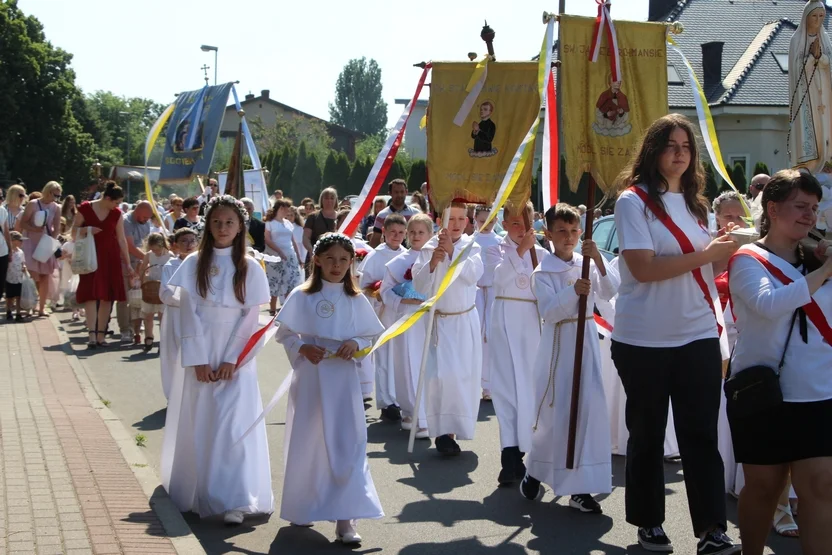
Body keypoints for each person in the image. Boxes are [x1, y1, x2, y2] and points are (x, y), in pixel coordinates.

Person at [611, 114, 740, 554]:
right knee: (646, 433)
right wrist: (709, 252)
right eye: (671, 144)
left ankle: (712, 529)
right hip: (644, 338)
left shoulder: (697, 204)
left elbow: (705, 268)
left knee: (701, 435)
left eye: (686, 145)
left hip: (698, 332)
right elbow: (644, 269)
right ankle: (649, 522)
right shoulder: (633, 202)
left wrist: (725, 251)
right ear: (653, 150)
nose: (680, 152)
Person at [727, 169, 832, 555]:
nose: (809, 216)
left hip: (818, 391)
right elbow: (769, 305)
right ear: (772, 208)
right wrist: (824, 273)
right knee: (765, 487)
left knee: (821, 485)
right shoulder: (747, 260)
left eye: (815, 208)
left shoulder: (820, 257)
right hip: (763, 394)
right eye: (800, 207)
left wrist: (823, 263)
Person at [162, 195, 273, 526]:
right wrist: (197, 358)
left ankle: (234, 498)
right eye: (216, 222)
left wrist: (231, 358)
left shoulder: (250, 266)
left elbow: (252, 315)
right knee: (202, 416)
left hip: (235, 351)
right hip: (202, 345)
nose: (223, 228)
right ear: (207, 225)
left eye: (229, 222)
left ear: (241, 227)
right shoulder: (195, 262)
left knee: (232, 422)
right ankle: (198, 489)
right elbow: (188, 311)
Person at [276, 232, 384, 543]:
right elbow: (285, 333)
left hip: (342, 379)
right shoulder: (302, 295)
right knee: (308, 439)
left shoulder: (356, 298)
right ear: (317, 260)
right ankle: (304, 505)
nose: (337, 265)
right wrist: (302, 348)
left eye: (343, 260)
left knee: (345, 442)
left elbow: (369, 335)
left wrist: (355, 342)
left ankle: (345, 518)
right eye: (330, 259)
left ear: (352, 263)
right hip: (311, 375)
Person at [520, 203, 619, 515]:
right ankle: (536, 468)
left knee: (586, 411)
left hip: (587, 339)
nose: (569, 237)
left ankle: (580, 487)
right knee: (558, 414)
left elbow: (609, 291)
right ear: (548, 234)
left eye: (574, 231)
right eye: (561, 231)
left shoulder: (584, 261)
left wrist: (598, 259)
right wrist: (572, 292)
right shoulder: (543, 271)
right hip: (560, 344)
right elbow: (548, 311)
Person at [412, 202, 484, 455]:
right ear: (440, 220)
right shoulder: (430, 247)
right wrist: (432, 262)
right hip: (438, 323)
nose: (455, 224)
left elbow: (473, 275)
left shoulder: (472, 247)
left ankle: (455, 429)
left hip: (463, 321)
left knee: (461, 377)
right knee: (439, 377)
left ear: (467, 221)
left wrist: (453, 253)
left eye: (460, 219)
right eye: (450, 218)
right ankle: (442, 432)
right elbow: (418, 285)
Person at [485, 201, 548, 486]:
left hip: (532, 328)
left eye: (526, 223)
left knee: (531, 390)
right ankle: (510, 456)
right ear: (504, 223)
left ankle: (533, 452)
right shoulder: (493, 249)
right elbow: (496, 279)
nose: (521, 230)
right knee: (506, 389)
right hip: (504, 326)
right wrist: (520, 252)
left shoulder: (543, 254)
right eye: (514, 224)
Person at [381, 214, 434, 438]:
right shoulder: (397, 263)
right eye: (412, 232)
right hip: (406, 318)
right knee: (406, 365)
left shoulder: (437, 257)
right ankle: (411, 411)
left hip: (430, 319)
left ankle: (427, 414)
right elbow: (385, 292)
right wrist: (403, 300)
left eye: (421, 232)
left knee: (427, 365)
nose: (416, 236)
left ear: (430, 234)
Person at [73, 182, 135, 348]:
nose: (117, 206)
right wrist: (87, 230)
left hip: (110, 257)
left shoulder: (116, 214)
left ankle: (101, 335)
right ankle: (91, 335)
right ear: (107, 198)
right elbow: (73, 231)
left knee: (108, 296)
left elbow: (121, 239)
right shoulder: (85, 208)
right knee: (91, 295)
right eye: (116, 202)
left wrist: (128, 264)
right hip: (90, 256)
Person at [358, 213, 408, 421]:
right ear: (383, 233)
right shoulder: (375, 256)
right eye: (392, 232)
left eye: (400, 232)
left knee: (401, 356)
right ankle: (387, 402)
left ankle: (402, 399)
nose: (396, 236)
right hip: (383, 311)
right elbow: (363, 286)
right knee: (384, 356)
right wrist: (378, 291)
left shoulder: (409, 255)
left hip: (403, 311)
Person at [788, 1, 832, 174]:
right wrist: (811, 57)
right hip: (807, 93)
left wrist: (820, 58)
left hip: (825, 92)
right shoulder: (797, 40)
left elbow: (829, 63)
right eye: (814, 16)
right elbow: (795, 68)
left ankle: (827, 159)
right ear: (806, 17)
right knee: (811, 126)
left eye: (821, 16)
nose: (818, 20)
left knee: (825, 124)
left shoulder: (826, 38)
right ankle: (810, 164)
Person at [158, 228, 197, 401]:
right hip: (177, 315)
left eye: (192, 240)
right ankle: (176, 395)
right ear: (176, 245)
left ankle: (193, 393)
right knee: (175, 354)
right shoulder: (171, 266)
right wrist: (185, 300)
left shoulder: (201, 264)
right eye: (184, 241)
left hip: (197, 315)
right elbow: (165, 293)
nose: (189, 245)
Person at [19, 181, 62, 317]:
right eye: (56, 195)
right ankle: (32, 302)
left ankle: (41, 308)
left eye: (59, 195)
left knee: (45, 276)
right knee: (33, 275)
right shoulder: (33, 204)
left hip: (46, 243)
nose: (57, 198)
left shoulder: (56, 207)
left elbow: (57, 226)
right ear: (48, 192)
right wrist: (34, 229)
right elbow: (23, 222)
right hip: (31, 241)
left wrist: (51, 241)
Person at [473, 206, 502, 400]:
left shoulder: (500, 241)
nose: (486, 225)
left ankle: (490, 384)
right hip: (474, 292)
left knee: (491, 336)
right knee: (475, 334)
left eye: (491, 221)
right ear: (474, 219)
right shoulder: (470, 241)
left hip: (492, 291)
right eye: (482, 220)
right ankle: (474, 380)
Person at [120, 201, 153, 345]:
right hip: (126, 263)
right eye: (145, 217)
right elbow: (130, 247)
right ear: (138, 211)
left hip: (141, 263)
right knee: (125, 298)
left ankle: (137, 330)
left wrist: (145, 262)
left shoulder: (146, 223)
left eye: (148, 218)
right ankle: (125, 329)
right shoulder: (126, 221)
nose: (146, 220)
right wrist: (147, 258)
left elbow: (146, 244)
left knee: (139, 299)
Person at [264, 200, 303, 316]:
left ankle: (287, 308)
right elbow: (268, 239)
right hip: (274, 255)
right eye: (286, 208)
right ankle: (272, 309)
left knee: (290, 281)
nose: (288, 211)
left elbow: (293, 241)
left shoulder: (288, 223)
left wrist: (299, 257)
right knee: (275, 281)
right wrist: (279, 252)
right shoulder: (270, 223)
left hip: (290, 255)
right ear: (280, 208)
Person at [137, 233, 172, 352]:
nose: (155, 252)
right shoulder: (149, 255)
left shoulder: (169, 256)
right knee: (148, 315)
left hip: (163, 287)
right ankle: (149, 336)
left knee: (163, 316)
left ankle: (163, 340)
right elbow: (142, 268)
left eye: (157, 249)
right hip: (151, 287)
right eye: (153, 249)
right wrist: (143, 280)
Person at [371, 179, 417, 247]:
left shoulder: (415, 214)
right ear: (390, 193)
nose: (399, 195)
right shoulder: (382, 215)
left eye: (402, 192)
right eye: (396, 192)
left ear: (406, 192)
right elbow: (375, 240)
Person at [303, 188, 338, 270]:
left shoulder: (340, 217)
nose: (329, 201)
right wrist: (312, 251)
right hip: (316, 257)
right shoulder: (313, 217)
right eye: (326, 198)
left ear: (336, 200)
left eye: (332, 198)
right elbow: (305, 238)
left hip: (335, 259)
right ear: (321, 200)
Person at [5, 231, 26, 321]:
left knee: (19, 296)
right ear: (13, 241)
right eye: (19, 240)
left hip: (19, 278)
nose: (21, 242)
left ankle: (18, 313)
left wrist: (24, 266)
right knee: (10, 297)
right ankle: (8, 311)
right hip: (9, 278)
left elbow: (23, 262)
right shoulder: (7, 252)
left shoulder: (21, 252)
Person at [0, 201, 10, 302]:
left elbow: (6, 232)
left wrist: (10, 250)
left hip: (3, 251)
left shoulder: (3, 211)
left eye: (1, 197)